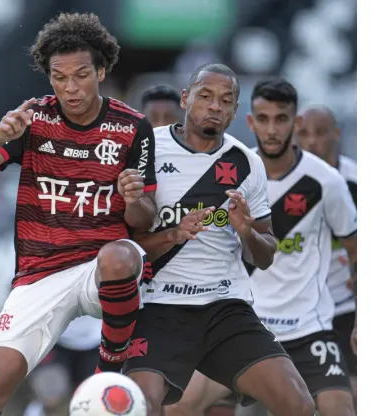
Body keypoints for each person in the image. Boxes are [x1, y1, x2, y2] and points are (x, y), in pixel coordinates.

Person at [0, 12, 158, 416]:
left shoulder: (133, 128)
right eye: (58, 77)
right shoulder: (32, 121)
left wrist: (133, 197)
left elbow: (143, 221)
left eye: (81, 75)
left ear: (101, 71)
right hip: (40, 272)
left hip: (99, 270)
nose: (70, 87)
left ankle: (108, 369)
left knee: (119, 256)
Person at [123, 66, 316, 416]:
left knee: (298, 403)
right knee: (139, 405)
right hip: (160, 305)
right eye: (206, 96)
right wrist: (172, 232)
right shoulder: (148, 146)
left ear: (234, 108)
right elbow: (130, 241)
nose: (215, 107)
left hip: (225, 306)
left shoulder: (247, 163)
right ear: (186, 98)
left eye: (225, 100)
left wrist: (246, 231)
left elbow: (267, 253)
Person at [163, 79, 358, 416]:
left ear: (294, 123)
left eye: (280, 119)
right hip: (246, 325)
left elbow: (359, 250)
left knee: (340, 407)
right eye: (262, 119)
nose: (271, 130)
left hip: (309, 328)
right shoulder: (234, 170)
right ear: (250, 121)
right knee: (180, 406)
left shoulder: (327, 182)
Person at [295, 106, 358, 398]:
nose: (311, 142)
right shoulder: (284, 183)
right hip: (297, 308)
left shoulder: (356, 182)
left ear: (336, 134)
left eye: (319, 133)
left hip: (346, 306)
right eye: (304, 134)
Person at [24, 315, 103, 416]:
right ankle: (42, 409)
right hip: (55, 338)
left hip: (97, 341)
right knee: (50, 395)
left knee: (93, 400)